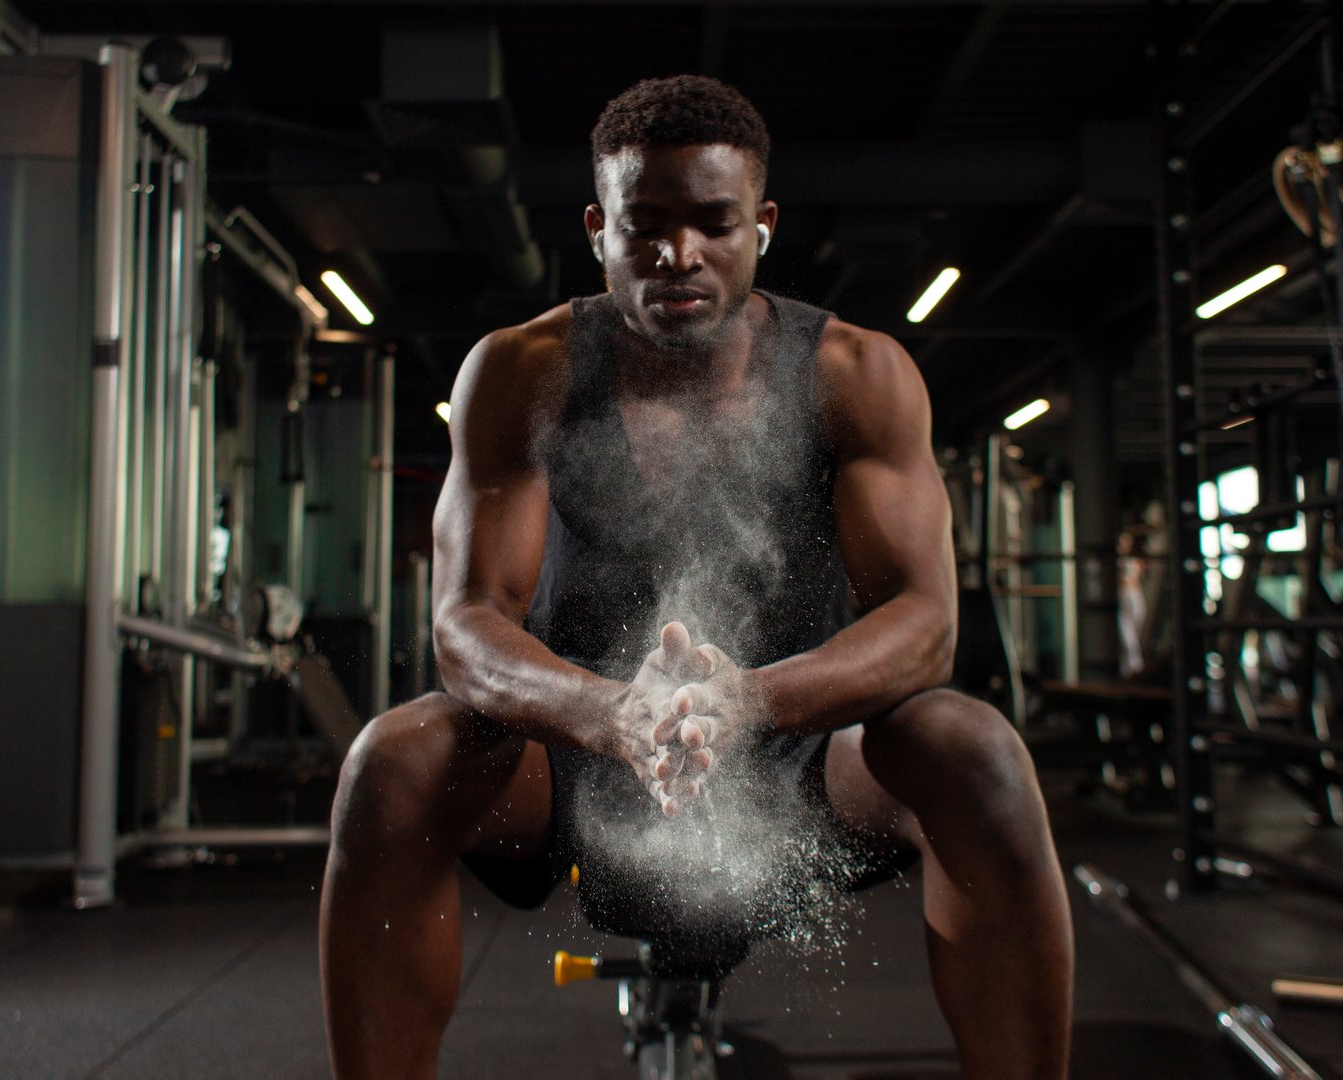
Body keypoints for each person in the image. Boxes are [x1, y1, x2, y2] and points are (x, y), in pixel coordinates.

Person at [320, 75, 1073, 1080]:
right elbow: (464, 625)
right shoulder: (523, 370)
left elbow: (924, 621)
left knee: (977, 752)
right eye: (644, 226)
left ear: (760, 224)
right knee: (390, 763)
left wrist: (753, 700)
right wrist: (607, 712)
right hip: (576, 756)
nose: (678, 254)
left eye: (713, 222)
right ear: (597, 228)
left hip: (799, 750)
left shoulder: (853, 372)